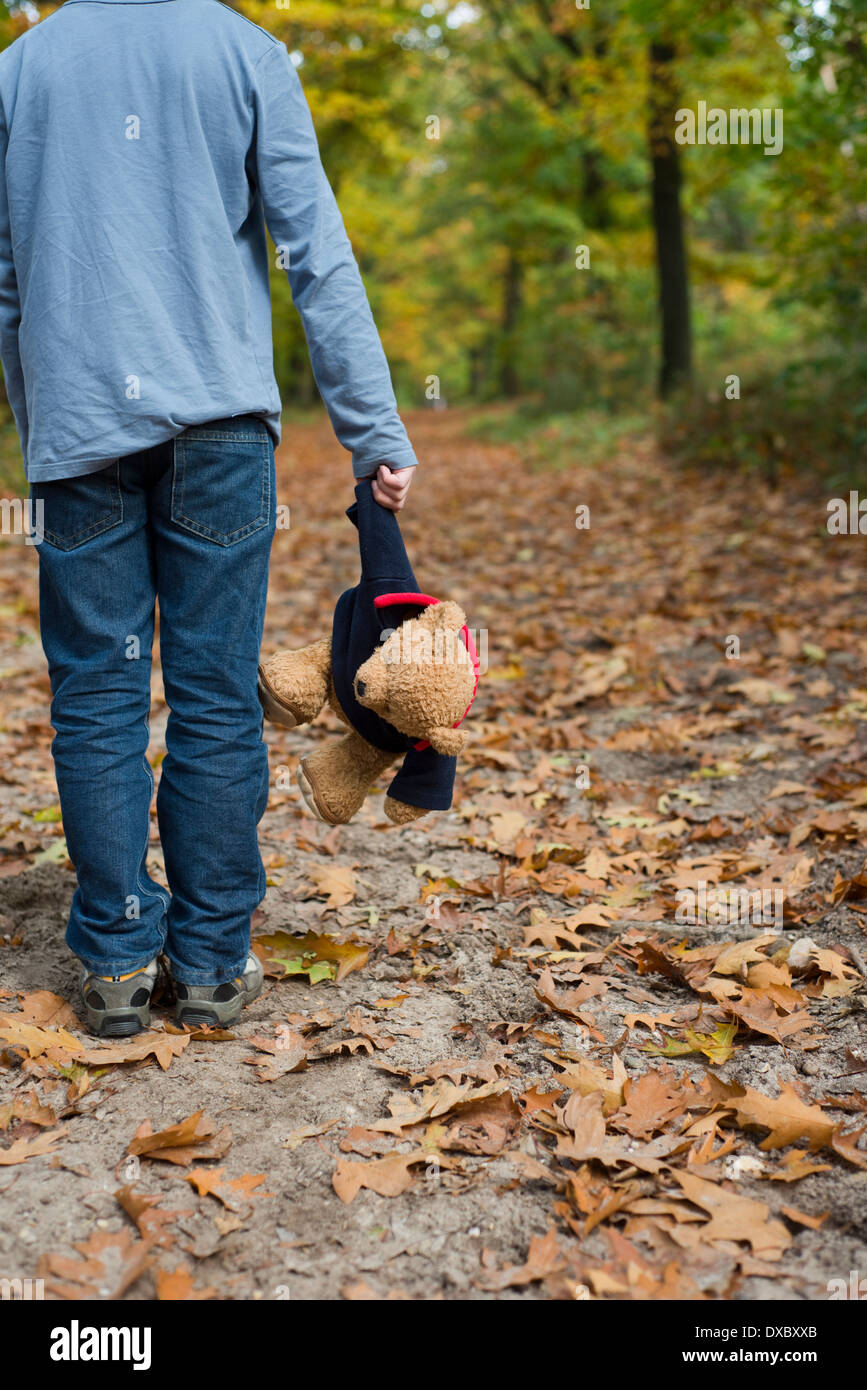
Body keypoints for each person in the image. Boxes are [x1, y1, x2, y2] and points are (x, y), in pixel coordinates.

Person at [0, 0, 416, 1036]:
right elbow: (315, 252)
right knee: (217, 693)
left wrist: (41, 416)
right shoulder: (245, 53)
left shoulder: (22, 70)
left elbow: (8, 284)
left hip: (80, 431)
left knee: (95, 696)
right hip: (220, 431)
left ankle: (114, 963)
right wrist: (372, 430)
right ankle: (216, 961)